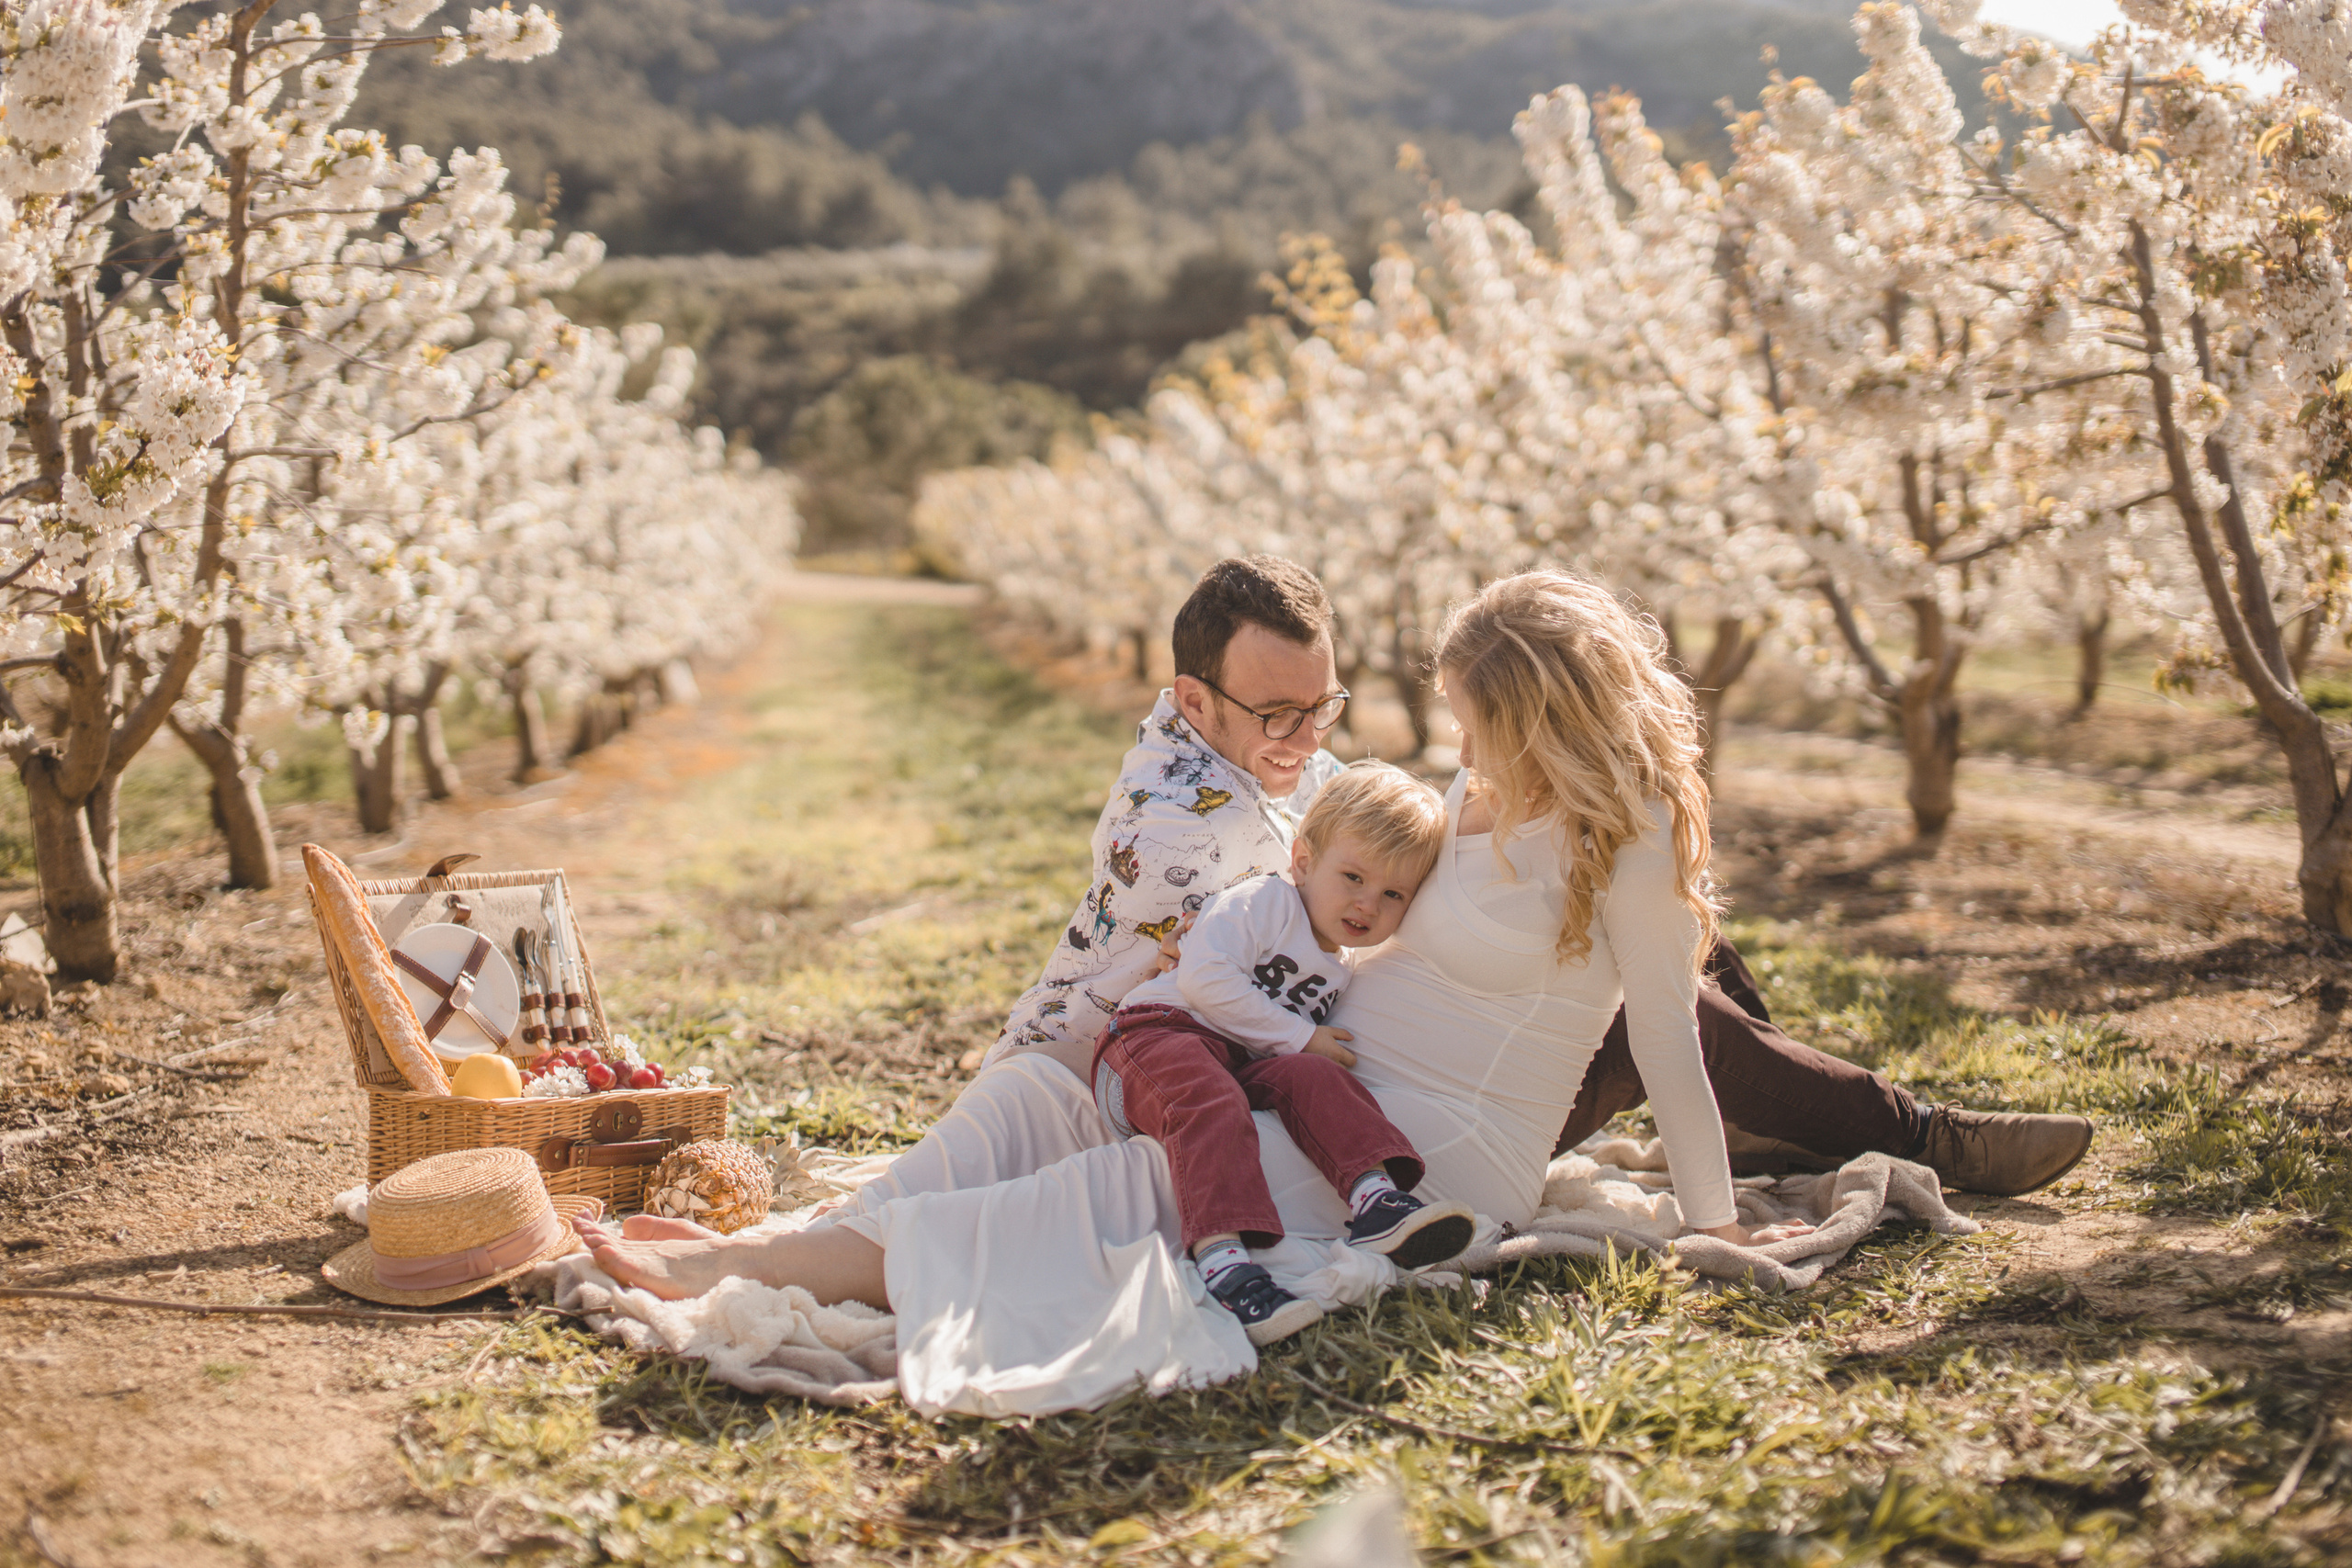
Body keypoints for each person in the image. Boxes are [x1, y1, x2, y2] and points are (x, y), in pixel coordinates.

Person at [580, 560, 2092, 1324]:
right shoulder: (1473, 792)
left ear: (1542, 711)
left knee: (1125, 1203)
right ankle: (814, 1238)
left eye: (1474, 718)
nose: (1451, 744)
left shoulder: (1622, 841)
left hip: (1436, 1144)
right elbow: (1351, 922)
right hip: (1339, 1078)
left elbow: (1676, 1052)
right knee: (1069, 1104)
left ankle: (744, 1264)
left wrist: (1708, 1213)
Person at [1096, 761, 1474, 1345]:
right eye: (1353, 877)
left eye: (1393, 893)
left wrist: (1304, 1051)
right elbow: (1204, 981)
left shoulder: (1346, 966)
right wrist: (1301, 1037)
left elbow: (1293, 1049)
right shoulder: (1265, 903)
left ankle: (1376, 1199)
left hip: (1238, 1061)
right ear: (1303, 862)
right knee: (1220, 1093)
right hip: (1152, 1042)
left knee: (1318, 1077)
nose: (1368, 904)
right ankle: (1224, 1261)